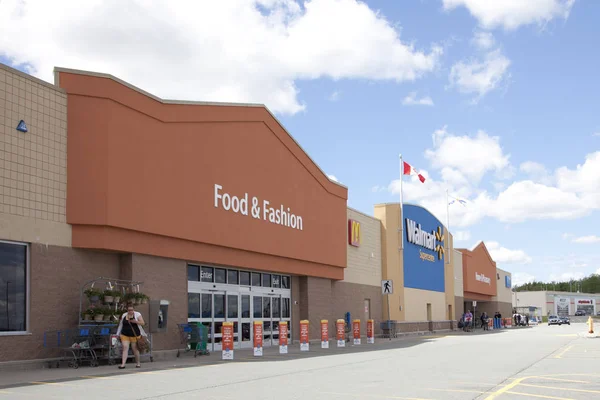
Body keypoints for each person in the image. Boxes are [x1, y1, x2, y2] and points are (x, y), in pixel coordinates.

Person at [116, 303, 146, 369]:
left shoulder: (137, 314)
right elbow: (121, 325)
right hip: (125, 334)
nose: (130, 311)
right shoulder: (124, 315)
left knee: (135, 349)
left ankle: (138, 363)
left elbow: (143, 323)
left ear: (133, 310)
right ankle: (123, 364)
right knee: (125, 347)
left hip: (134, 335)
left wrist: (135, 321)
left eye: (132, 310)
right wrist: (117, 334)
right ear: (127, 310)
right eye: (129, 310)